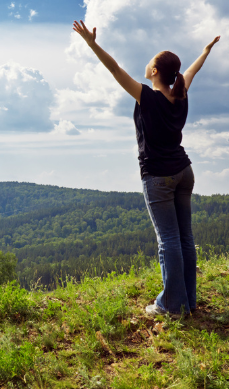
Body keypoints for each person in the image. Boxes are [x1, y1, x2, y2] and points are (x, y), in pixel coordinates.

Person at [72, 20, 220, 317]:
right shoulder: (181, 93)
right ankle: (188, 301)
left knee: (168, 241)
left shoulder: (147, 96)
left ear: (154, 71)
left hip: (159, 177)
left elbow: (114, 70)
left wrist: (91, 44)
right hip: (184, 171)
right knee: (185, 238)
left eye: (150, 61)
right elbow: (192, 70)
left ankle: (170, 306)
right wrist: (205, 52)